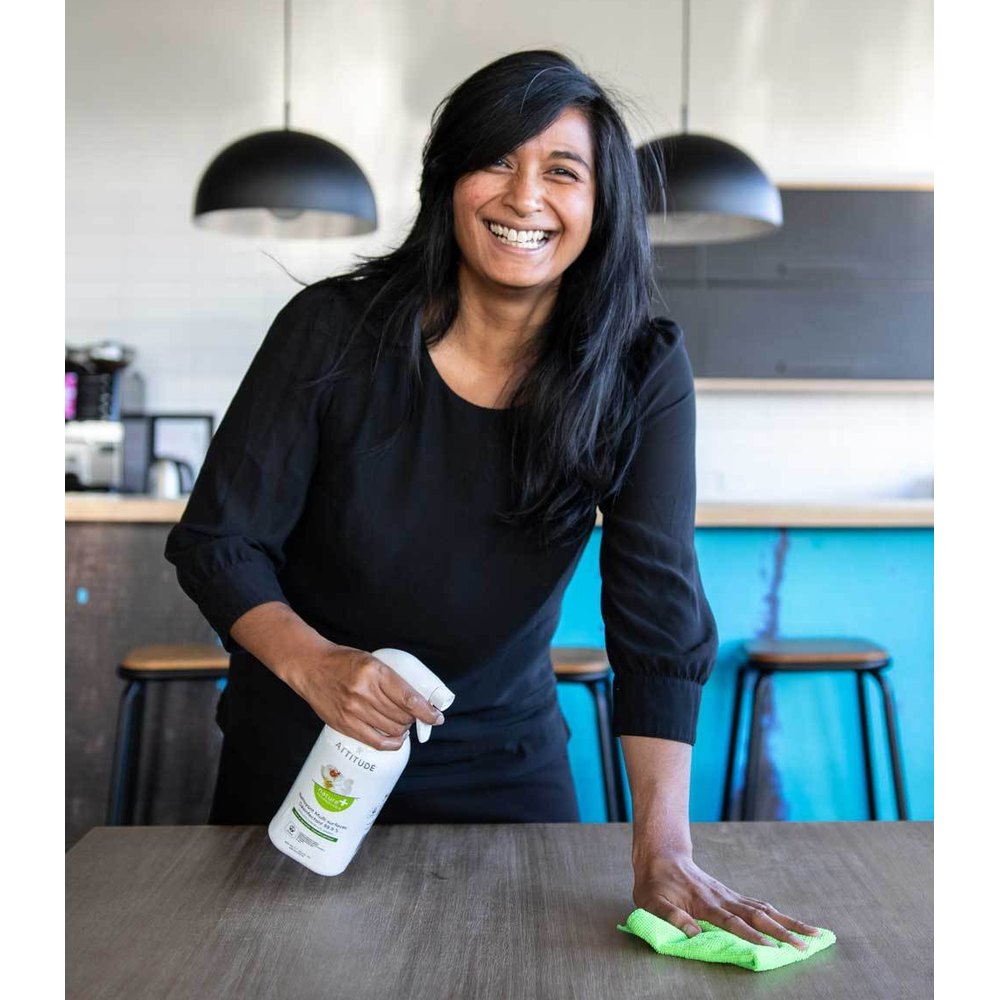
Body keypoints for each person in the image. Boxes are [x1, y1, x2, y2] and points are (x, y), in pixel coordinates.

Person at [166, 49, 820, 950]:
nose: (525, 197)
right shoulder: (333, 331)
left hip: (502, 763)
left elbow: (657, 612)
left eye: (562, 170)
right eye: (496, 160)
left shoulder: (639, 367)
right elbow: (218, 541)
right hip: (303, 753)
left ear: (601, 202)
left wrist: (662, 848)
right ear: (448, 182)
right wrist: (318, 664)